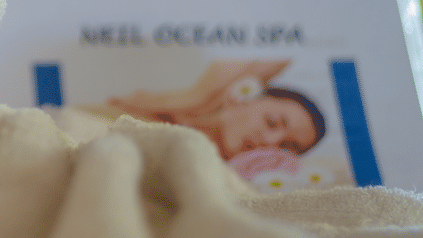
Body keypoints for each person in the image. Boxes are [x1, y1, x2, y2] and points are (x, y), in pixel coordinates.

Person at [93, 59, 326, 160]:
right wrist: (191, 98)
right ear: (246, 95)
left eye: (286, 148)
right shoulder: (138, 115)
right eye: (272, 122)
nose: (271, 142)